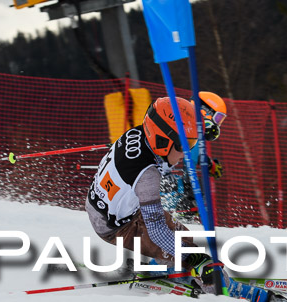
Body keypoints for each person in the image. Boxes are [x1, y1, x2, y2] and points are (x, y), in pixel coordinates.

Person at [85, 96, 220, 290]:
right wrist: (195, 258)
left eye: (190, 144)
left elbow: (171, 116)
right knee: (178, 250)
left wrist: (200, 128)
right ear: (163, 140)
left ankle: (159, 271)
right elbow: (157, 232)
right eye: (183, 146)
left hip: (107, 206)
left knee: (184, 237)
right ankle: (164, 279)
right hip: (115, 227)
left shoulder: (141, 133)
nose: (185, 154)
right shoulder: (147, 175)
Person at [160, 91, 227, 221]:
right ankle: (182, 211)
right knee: (193, 186)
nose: (218, 124)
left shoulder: (187, 123)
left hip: (159, 177)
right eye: (218, 118)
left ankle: (182, 209)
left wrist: (209, 164)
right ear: (205, 112)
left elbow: (194, 153)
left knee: (189, 185)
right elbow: (190, 159)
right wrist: (190, 194)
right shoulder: (189, 127)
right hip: (157, 179)